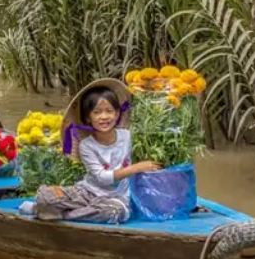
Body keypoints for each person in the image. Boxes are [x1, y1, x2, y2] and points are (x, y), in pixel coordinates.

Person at [21, 78, 160, 224]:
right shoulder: (86, 145)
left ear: (117, 113)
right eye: (97, 112)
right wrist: (136, 168)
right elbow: (102, 178)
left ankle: (62, 214)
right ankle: (52, 208)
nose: (104, 117)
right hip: (86, 193)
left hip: (115, 199)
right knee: (45, 196)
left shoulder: (127, 136)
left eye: (109, 111)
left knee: (114, 212)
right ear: (88, 118)